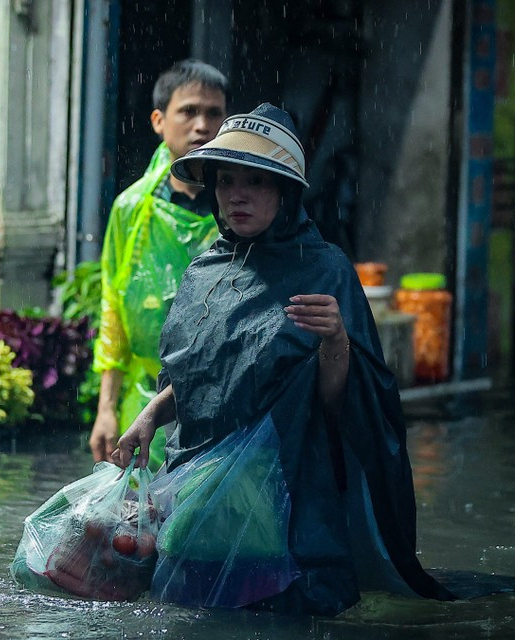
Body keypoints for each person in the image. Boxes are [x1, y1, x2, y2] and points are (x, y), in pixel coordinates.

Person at [111, 103, 458, 615]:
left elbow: (346, 408)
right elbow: (199, 378)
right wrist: (148, 415)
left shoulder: (326, 271)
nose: (237, 195)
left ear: (285, 192)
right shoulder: (204, 271)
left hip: (287, 503)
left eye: (255, 181)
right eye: (226, 181)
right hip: (197, 502)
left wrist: (336, 341)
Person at [89, 59, 228, 470]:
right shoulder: (131, 210)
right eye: (188, 111)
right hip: (142, 396)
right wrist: (106, 409)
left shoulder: (241, 208)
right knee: (137, 523)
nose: (202, 125)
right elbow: (113, 308)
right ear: (158, 121)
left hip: (222, 396)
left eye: (214, 113)